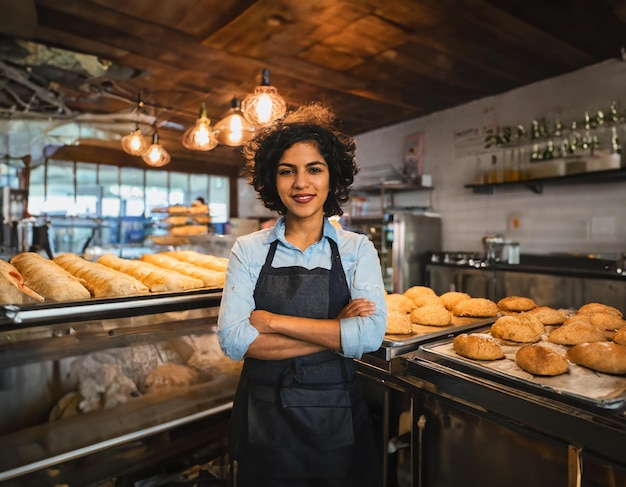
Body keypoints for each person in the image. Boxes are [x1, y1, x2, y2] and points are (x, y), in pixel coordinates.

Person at [217, 102, 387, 486]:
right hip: (265, 418)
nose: (301, 184)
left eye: (314, 169)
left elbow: (369, 337)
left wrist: (273, 323)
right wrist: (335, 332)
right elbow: (234, 340)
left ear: (332, 177)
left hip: (335, 419)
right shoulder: (249, 249)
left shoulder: (357, 249)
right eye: (287, 171)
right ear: (272, 181)